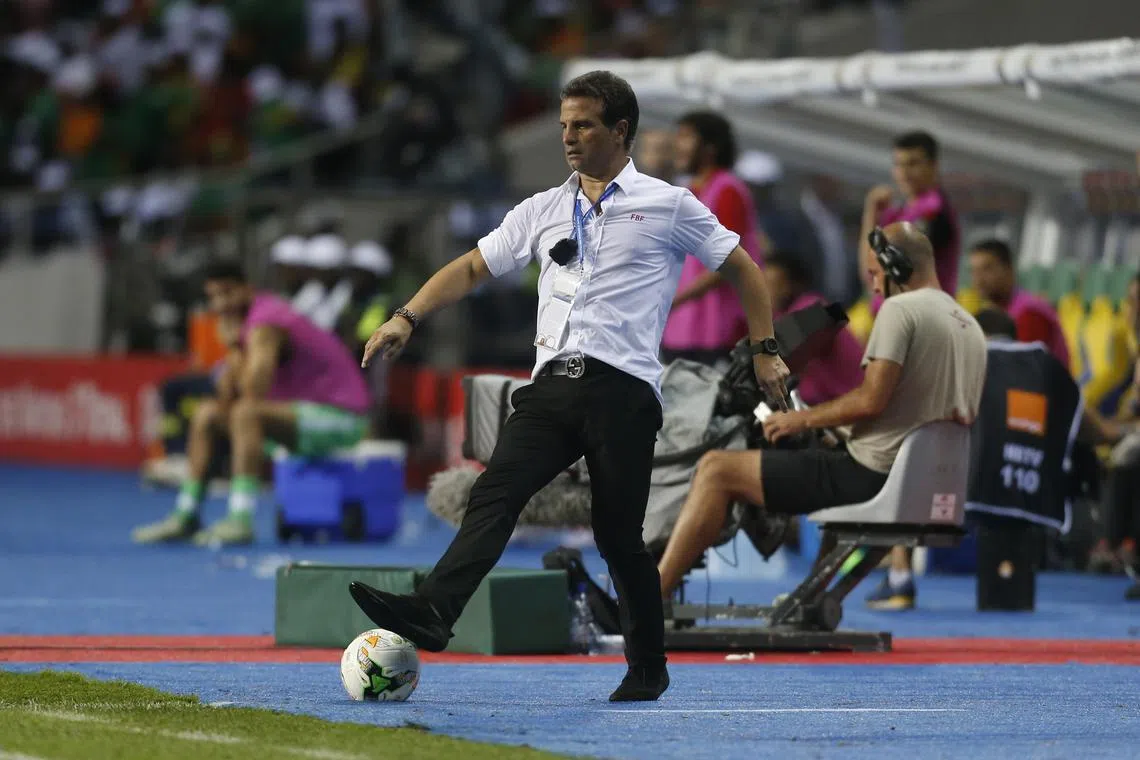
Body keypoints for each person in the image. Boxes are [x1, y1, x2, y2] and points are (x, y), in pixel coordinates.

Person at [347, 70, 790, 702]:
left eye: (582, 124)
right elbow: (474, 265)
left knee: (618, 538)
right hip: (552, 383)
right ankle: (435, 610)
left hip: (626, 392)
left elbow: (744, 267)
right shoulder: (542, 208)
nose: (569, 137)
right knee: (495, 491)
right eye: (562, 125)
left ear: (620, 130)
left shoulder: (668, 204)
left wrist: (766, 350)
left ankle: (647, 667)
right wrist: (406, 316)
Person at [656, 222, 988, 602]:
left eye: (876, 275)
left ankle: (649, 599)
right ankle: (810, 599)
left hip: (873, 477)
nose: (876, 288)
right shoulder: (969, 326)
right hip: (928, 485)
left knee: (717, 468)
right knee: (825, 451)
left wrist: (800, 418)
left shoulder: (900, 311)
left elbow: (869, 401)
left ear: (895, 267)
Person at [131, 261, 372, 546]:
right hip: (297, 416)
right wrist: (233, 349)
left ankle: (240, 519)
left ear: (247, 289)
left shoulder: (266, 323)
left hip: (343, 419)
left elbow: (253, 392)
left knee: (247, 414)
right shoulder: (242, 325)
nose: (220, 305)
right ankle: (186, 514)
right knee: (207, 413)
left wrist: (233, 347)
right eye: (213, 297)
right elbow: (225, 397)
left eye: (228, 293)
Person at [660, 110, 765, 367]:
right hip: (683, 332)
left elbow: (730, 261)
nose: (677, 145)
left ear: (710, 148)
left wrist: (673, 301)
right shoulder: (690, 192)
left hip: (717, 333)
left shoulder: (727, 190)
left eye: (686, 137)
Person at [860, 131, 960, 306]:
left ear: (933, 166)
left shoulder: (934, 211)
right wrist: (871, 215)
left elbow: (891, 271)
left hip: (920, 319)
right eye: (899, 165)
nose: (904, 173)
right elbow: (870, 272)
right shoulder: (897, 213)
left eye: (913, 164)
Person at [764, 250, 864, 407]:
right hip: (825, 406)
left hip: (851, 402)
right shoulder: (779, 316)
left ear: (792, 285)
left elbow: (834, 315)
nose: (765, 291)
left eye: (772, 284)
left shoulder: (812, 305)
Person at [968, 238, 1070, 369]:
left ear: (1009, 269)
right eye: (974, 271)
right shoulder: (991, 312)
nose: (979, 279)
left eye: (987, 269)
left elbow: (1025, 371)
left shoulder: (1031, 314)